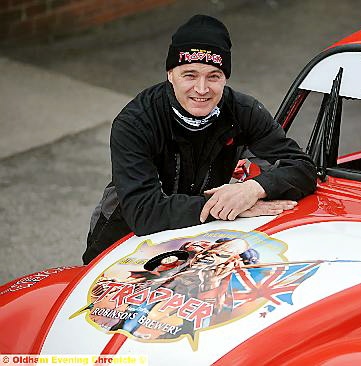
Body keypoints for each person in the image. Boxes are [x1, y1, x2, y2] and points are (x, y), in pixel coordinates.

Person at [82, 15, 317, 264]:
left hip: (198, 239)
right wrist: (224, 207)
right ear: (170, 74)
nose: (202, 89)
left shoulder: (243, 111)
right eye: (190, 75)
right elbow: (144, 213)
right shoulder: (135, 122)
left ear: (225, 77)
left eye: (213, 76)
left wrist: (251, 190)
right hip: (123, 238)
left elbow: (303, 168)